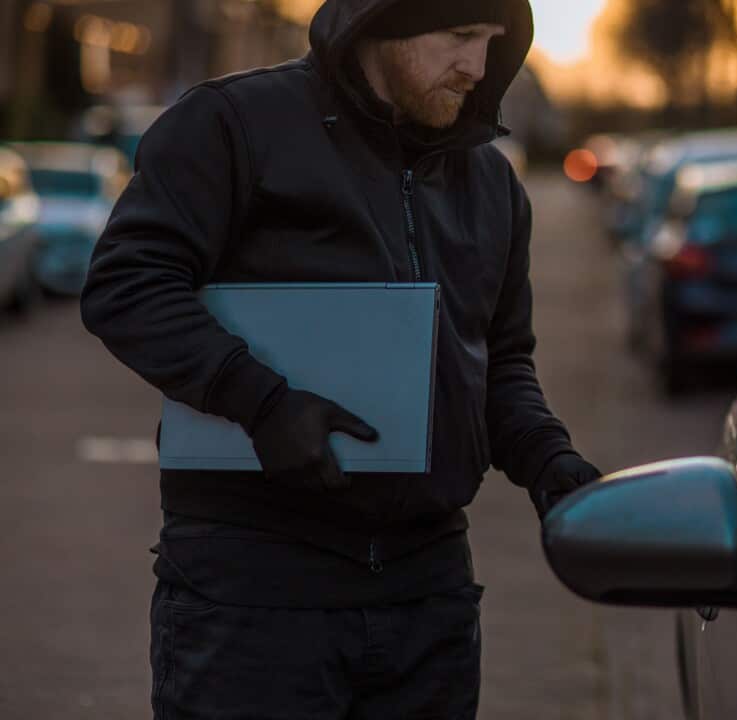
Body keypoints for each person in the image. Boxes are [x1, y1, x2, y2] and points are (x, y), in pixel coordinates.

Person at [80, 1, 601, 717]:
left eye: (490, 44)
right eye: (458, 37)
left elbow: (500, 361)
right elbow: (125, 284)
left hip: (429, 600)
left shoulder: (492, 184)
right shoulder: (234, 126)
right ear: (381, 22)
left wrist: (549, 460)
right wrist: (261, 402)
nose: (477, 68)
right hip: (252, 597)